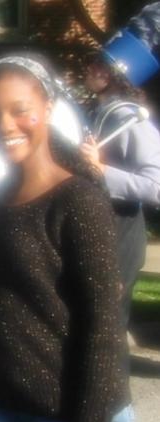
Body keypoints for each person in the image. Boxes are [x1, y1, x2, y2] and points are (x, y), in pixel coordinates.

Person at [0, 56, 132, 422]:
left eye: (19, 109)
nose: (5, 125)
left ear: (49, 109)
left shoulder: (78, 202)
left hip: (66, 415)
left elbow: (103, 326)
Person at [80, 51, 160, 332]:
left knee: (107, 331)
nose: (89, 68)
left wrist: (101, 171)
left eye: (98, 63)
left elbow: (156, 186)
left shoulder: (129, 118)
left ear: (114, 74)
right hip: (96, 229)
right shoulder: (98, 113)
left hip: (121, 233)